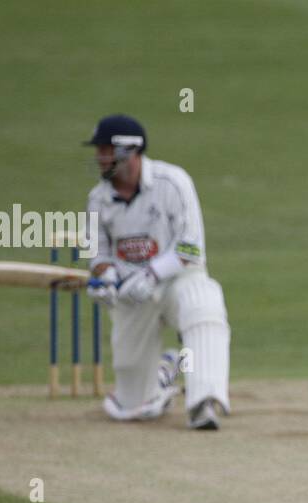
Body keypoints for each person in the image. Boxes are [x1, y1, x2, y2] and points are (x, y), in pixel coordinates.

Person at [83, 114, 231, 430]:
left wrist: (150, 275)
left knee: (205, 302)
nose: (99, 157)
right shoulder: (97, 199)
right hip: (132, 296)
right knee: (132, 407)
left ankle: (203, 401)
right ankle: (163, 377)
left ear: (128, 151)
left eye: (105, 149)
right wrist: (105, 278)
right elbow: (98, 253)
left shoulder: (173, 182)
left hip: (178, 280)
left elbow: (190, 247)